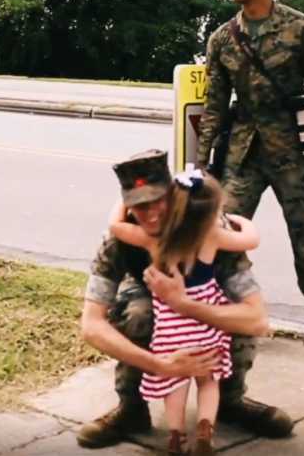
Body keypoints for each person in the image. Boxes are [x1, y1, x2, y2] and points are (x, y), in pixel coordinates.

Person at [78, 150, 293, 449]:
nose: (150, 213)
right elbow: (91, 326)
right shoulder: (118, 240)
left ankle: (229, 402)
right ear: (127, 205)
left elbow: (256, 320)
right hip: (149, 296)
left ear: (175, 196)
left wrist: (184, 304)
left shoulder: (207, 226)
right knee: (139, 314)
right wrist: (161, 365)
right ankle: (131, 409)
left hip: (199, 301)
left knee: (234, 316)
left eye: (157, 201)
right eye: (139, 205)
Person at [196, 0, 304, 347]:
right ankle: (226, 308)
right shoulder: (222, 39)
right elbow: (214, 106)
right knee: (221, 230)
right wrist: (200, 164)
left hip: (292, 149)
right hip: (243, 150)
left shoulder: (303, 31)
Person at [107, 169, 260, 455]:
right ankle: (204, 432)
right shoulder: (213, 236)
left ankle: (175, 437)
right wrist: (242, 222)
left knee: (175, 383)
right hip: (205, 324)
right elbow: (251, 240)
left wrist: (126, 201)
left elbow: (116, 227)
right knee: (208, 381)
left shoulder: (155, 239)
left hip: (170, 328)